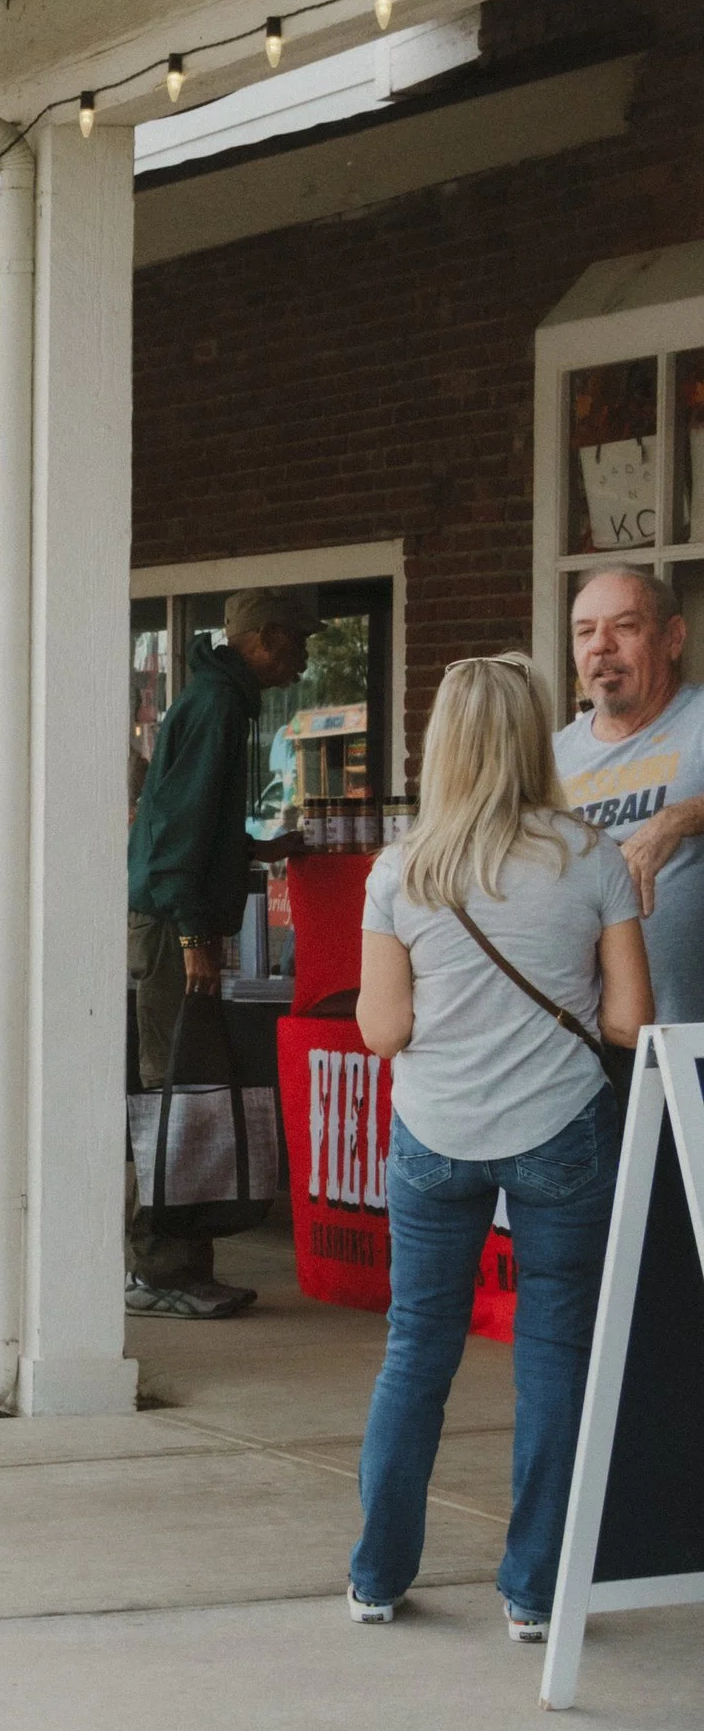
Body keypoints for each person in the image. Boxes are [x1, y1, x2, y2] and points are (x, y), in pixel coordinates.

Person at [349, 655, 649, 1638]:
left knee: (415, 1352)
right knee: (555, 1353)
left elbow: (383, 1032)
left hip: (433, 1135)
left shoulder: (400, 869)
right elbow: (627, 1020)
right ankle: (532, 1595)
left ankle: (378, 1577)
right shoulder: (590, 855)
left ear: (442, 742)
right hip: (561, 1131)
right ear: (530, 737)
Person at [125, 586, 316, 1317]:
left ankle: (175, 1263)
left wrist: (259, 847)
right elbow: (174, 828)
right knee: (181, 1092)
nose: (301, 661)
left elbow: (196, 818)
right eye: (296, 644)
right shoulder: (215, 705)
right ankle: (161, 1270)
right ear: (263, 639)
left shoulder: (218, 699)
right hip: (176, 925)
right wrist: (194, 935)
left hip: (179, 917)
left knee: (192, 1087)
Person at [553, 567, 704, 1021]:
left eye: (624, 626)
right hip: (586, 1046)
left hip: (689, 1038)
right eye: (585, 632)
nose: (600, 645)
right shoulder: (553, 754)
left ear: (673, 638)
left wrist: (679, 818)